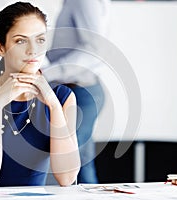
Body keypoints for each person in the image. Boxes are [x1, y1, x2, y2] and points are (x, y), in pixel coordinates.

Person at [0, 2, 80, 188]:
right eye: (21, 41)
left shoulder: (62, 98)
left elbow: (67, 178)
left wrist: (53, 106)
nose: (33, 50)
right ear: (0, 47)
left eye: (40, 40)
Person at [43, 0, 110, 183]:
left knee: (69, 163)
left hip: (82, 91)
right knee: (82, 163)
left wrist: (48, 72)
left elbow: (93, 50)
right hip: (77, 89)